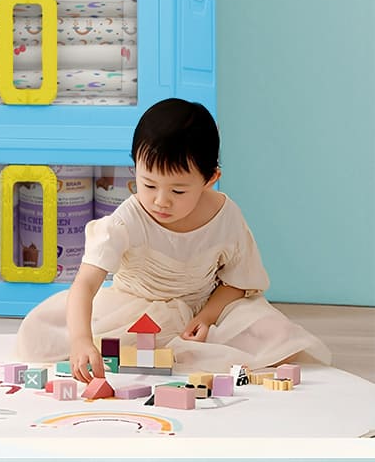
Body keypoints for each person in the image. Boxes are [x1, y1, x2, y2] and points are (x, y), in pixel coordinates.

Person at [16, 95, 329, 374]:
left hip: (200, 306)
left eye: (178, 190)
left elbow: (238, 281)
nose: (160, 201)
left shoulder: (225, 215)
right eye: (148, 185)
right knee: (41, 332)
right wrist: (82, 341)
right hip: (135, 306)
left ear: (211, 179)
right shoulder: (128, 219)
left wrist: (206, 317)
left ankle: (191, 346)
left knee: (275, 333)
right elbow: (85, 283)